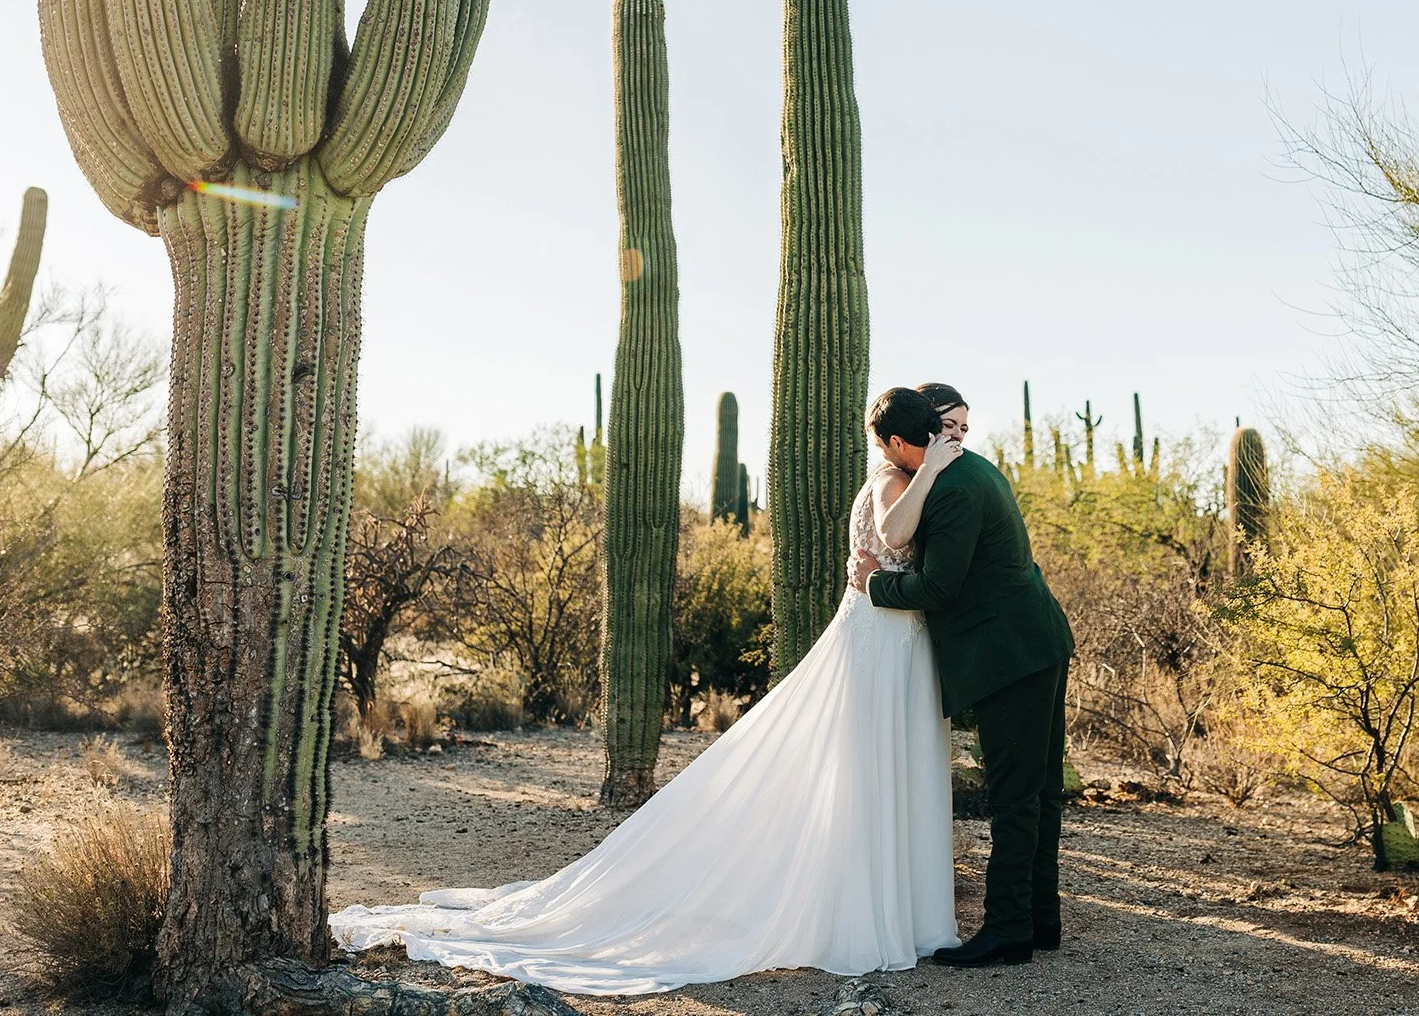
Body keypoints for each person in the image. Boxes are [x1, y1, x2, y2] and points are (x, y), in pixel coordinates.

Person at [326, 389, 966, 995]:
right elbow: (900, 535)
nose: (925, 453)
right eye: (918, 445)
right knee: (873, 766)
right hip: (879, 640)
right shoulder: (891, 480)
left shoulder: (904, 472)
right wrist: (932, 472)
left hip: (894, 638)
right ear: (889, 445)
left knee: (888, 767)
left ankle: (887, 906)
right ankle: (866, 913)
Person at [851, 382, 1076, 968]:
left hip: (1009, 654)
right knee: (1039, 792)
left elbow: (938, 588)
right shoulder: (974, 470)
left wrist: (872, 584)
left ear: (904, 438)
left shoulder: (949, 490)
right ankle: (1038, 921)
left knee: (1015, 797)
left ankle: (1006, 931)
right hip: (1037, 641)